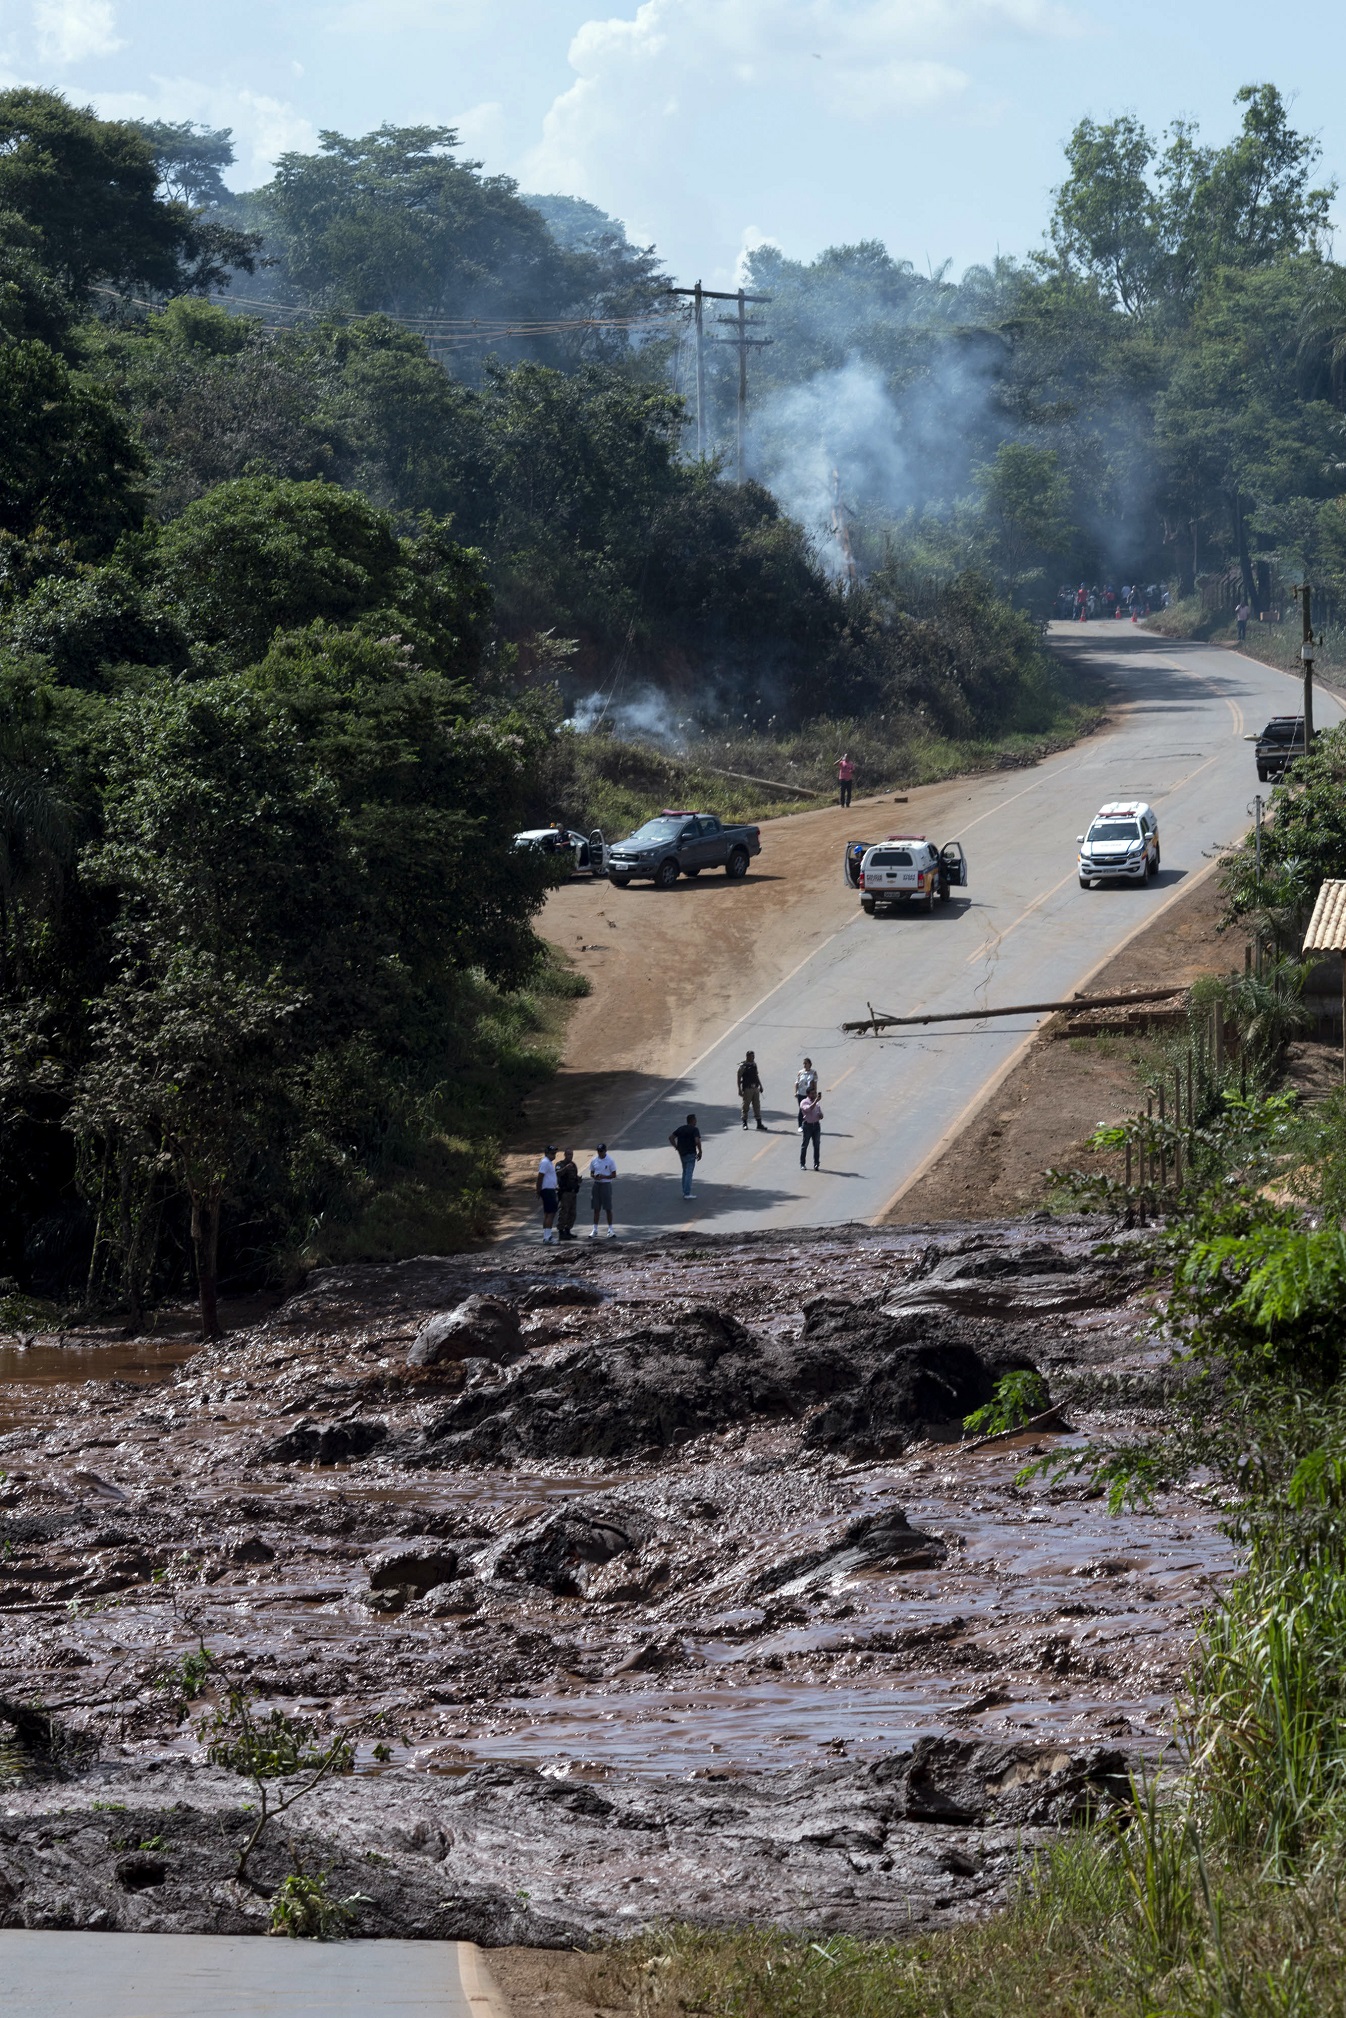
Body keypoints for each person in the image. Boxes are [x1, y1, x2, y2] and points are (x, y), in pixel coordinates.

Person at [669, 1113, 702, 1198]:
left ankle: (685, 1191)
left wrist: (676, 1147)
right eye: (695, 1120)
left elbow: (671, 1137)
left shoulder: (681, 1129)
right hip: (690, 1152)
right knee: (689, 1172)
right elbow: (697, 1141)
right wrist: (700, 1151)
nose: (696, 1121)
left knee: (685, 1171)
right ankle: (687, 1193)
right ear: (693, 1121)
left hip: (682, 1153)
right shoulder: (695, 1130)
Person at [588, 1142, 617, 1237]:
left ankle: (610, 1229)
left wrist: (604, 1176)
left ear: (605, 1151)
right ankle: (595, 1229)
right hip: (597, 1185)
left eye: (602, 1151)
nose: (600, 1153)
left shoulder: (610, 1161)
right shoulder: (594, 1160)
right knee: (596, 1208)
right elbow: (591, 1173)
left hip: (606, 1185)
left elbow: (614, 1174)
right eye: (598, 1151)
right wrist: (595, 1176)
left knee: (608, 1208)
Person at [555, 1148, 580, 1238]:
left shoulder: (573, 1165)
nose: (570, 1156)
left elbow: (575, 1176)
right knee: (564, 1211)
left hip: (573, 1192)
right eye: (569, 1154)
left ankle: (568, 1230)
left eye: (571, 1154)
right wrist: (565, 1168)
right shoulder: (560, 1164)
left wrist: (578, 1180)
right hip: (565, 1192)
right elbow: (557, 1173)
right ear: (565, 1155)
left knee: (572, 1213)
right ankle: (561, 1231)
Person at [737, 1050, 765, 1130]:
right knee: (746, 1106)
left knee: (757, 1106)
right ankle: (744, 1123)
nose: (753, 1057)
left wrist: (760, 1085)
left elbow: (756, 1075)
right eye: (751, 1056)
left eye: (753, 1056)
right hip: (747, 1089)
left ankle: (759, 1124)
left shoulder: (754, 1065)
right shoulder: (743, 1066)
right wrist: (739, 1089)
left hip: (755, 1088)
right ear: (747, 1056)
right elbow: (739, 1078)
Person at [536, 1145, 559, 1243]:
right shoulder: (545, 1162)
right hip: (548, 1191)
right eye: (552, 1153)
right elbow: (540, 1177)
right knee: (551, 1213)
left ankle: (546, 1236)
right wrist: (538, 1190)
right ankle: (548, 1237)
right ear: (547, 1153)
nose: (554, 1155)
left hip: (550, 1189)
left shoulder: (548, 1162)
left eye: (555, 1153)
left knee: (547, 1213)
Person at [798, 1088, 823, 1170]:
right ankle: (802, 1163)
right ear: (808, 1094)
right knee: (805, 1145)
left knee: (816, 1145)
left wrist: (820, 1115)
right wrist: (815, 1101)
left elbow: (820, 1113)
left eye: (815, 1093)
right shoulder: (804, 1102)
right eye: (812, 1094)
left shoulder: (817, 1103)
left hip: (816, 1126)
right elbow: (808, 1109)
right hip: (807, 1126)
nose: (814, 1095)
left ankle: (816, 1164)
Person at [794, 1058, 818, 1126]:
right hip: (801, 1093)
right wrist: (795, 1092)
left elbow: (815, 1083)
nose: (804, 1065)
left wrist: (815, 1092)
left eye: (806, 1063)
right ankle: (800, 1125)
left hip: (809, 1094)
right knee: (802, 1109)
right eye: (804, 1063)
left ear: (810, 1064)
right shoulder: (800, 1072)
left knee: (809, 1109)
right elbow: (796, 1082)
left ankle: (808, 1123)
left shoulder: (813, 1072)